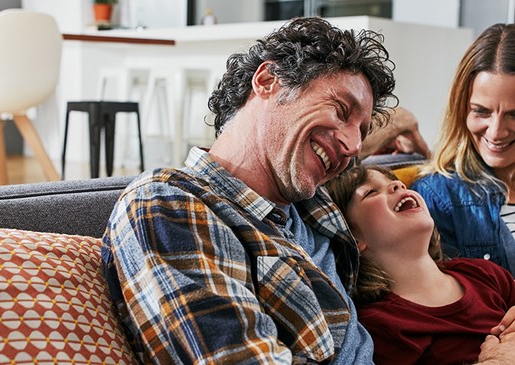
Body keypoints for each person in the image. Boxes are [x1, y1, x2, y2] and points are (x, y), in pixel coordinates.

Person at [102, 17, 397, 364]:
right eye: (341, 110)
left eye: (361, 134)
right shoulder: (170, 204)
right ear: (268, 80)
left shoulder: (314, 205)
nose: (351, 146)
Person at [326, 164, 515, 365]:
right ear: (352, 239)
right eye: (371, 192)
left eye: (396, 183)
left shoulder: (483, 272)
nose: (398, 185)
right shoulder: (378, 327)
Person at [410, 23, 515, 275]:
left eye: (514, 114)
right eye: (481, 111)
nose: (496, 131)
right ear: (461, 110)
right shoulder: (437, 197)